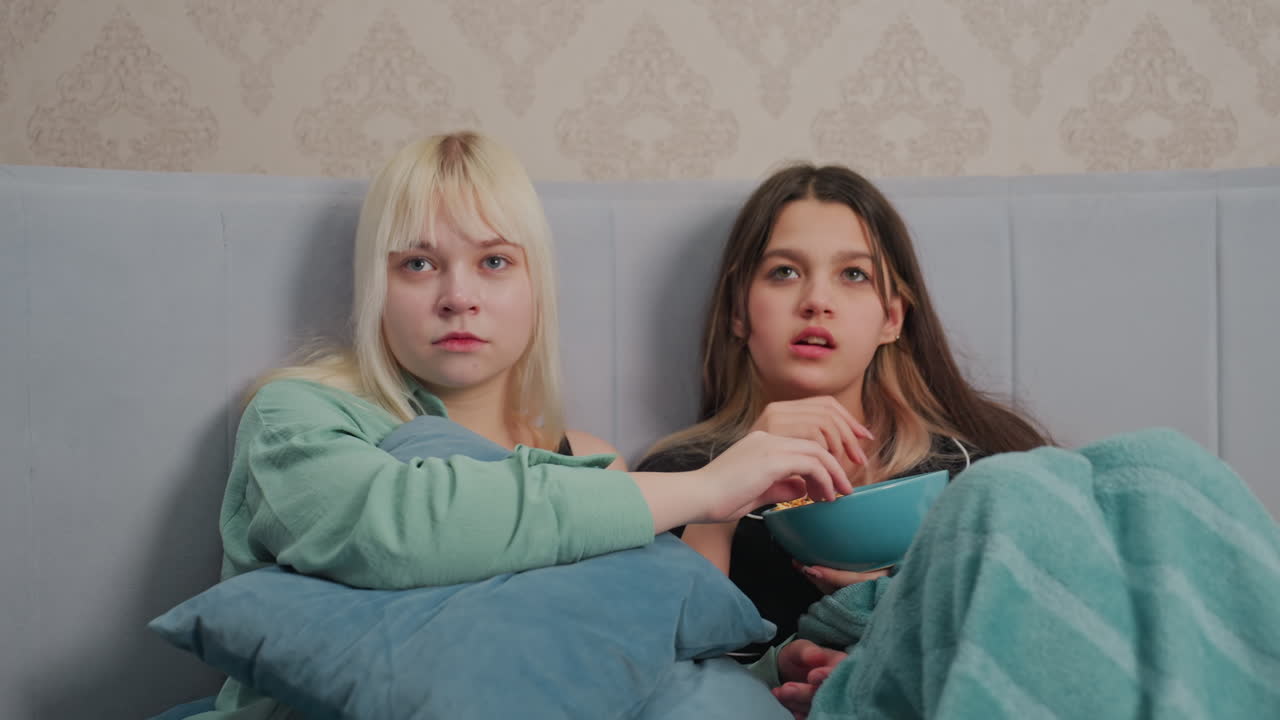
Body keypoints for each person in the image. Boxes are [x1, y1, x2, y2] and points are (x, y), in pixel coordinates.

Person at [195, 133, 851, 719]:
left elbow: (617, 658)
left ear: (537, 288)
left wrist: (773, 676)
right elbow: (399, 529)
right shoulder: (297, 416)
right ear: (376, 286)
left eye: (494, 261)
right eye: (418, 263)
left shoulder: (587, 462)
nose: (458, 295)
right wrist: (708, 488)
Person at [638, 163, 1052, 662]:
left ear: (892, 318)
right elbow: (663, 664)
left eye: (854, 274)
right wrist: (722, 498)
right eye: (784, 272)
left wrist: (892, 601)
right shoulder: (675, 479)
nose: (816, 301)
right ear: (739, 312)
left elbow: (1041, 634)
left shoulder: (979, 471)